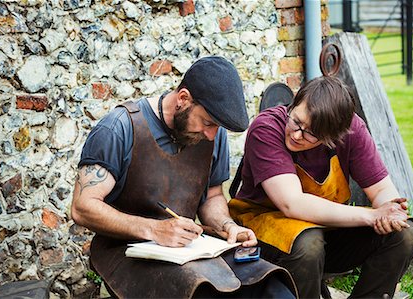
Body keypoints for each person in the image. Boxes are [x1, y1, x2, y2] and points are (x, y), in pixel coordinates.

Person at [71, 56, 296, 298]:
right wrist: (155, 230)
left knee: (272, 288)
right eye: (207, 123)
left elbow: (212, 196)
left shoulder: (213, 134)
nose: (212, 135)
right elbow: (83, 207)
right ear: (183, 99)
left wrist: (227, 226)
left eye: (217, 127)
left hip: (188, 249)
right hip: (126, 251)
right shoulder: (119, 127)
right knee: (201, 293)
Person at [228, 76, 413, 298]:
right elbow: (292, 203)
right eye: (296, 121)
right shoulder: (267, 128)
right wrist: (371, 216)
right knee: (309, 244)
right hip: (263, 231)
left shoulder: (352, 129)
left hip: (326, 229)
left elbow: (381, 190)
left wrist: (390, 213)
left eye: (311, 133)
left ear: (334, 135)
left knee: (404, 235)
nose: (297, 135)